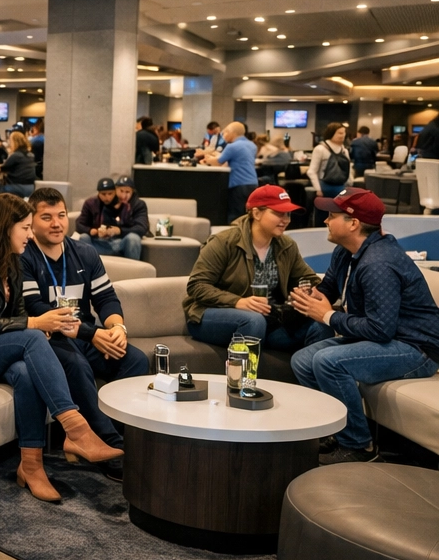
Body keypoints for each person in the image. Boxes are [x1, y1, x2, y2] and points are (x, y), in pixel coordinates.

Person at [0, 194, 122, 503]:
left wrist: (36, 327)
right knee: (32, 335)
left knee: (26, 371)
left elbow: (15, 315)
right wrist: (35, 325)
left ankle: (31, 466)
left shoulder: (12, 261)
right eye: (25, 228)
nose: (30, 235)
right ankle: (76, 429)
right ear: (5, 227)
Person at [289, 189, 439, 464]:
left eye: (332, 216)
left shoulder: (378, 262)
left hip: (417, 349)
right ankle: (334, 430)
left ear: (354, 223)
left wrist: (327, 316)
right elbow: (329, 288)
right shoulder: (345, 252)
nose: (325, 221)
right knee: (303, 360)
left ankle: (360, 447)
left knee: (328, 361)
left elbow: (380, 329)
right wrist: (312, 296)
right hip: (387, 339)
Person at [21, 188, 149, 465]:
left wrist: (117, 329)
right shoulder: (24, 255)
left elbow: (106, 299)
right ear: (31, 221)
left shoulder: (85, 253)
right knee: (75, 364)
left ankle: (123, 436)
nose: (56, 223)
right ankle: (108, 444)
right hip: (48, 338)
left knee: (135, 360)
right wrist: (92, 334)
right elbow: (36, 308)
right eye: (46, 217)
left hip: (86, 335)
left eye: (61, 215)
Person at [183, 185, 318, 350]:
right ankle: (241, 367)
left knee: (319, 326)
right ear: (256, 213)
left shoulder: (286, 245)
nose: (286, 220)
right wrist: (237, 301)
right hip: (211, 314)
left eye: (288, 214)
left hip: (268, 318)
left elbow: (309, 279)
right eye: (278, 213)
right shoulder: (224, 241)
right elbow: (197, 286)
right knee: (253, 321)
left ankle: (304, 365)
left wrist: (310, 292)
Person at [199, 121, 258, 220]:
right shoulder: (252, 145)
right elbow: (236, 160)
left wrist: (207, 158)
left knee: (235, 215)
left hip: (238, 185)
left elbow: (218, 162)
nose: (223, 135)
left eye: (225, 132)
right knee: (248, 215)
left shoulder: (232, 146)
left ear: (232, 132)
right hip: (253, 183)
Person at [74, 177, 145, 259]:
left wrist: (119, 230)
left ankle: (133, 267)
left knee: (133, 238)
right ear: (116, 190)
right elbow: (80, 223)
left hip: (121, 241)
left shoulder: (136, 205)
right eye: (121, 191)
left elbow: (141, 228)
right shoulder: (93, 203)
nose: (123, 196)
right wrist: (92, 231)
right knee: (84, 237)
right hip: (99, 241)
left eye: (127, 192)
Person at [308, 122, 352, 225]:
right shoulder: (320, 149)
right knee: (322, 216)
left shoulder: (344, 151)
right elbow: (312, 171)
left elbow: (348, 170)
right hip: (324, 187)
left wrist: (349, 185)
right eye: (339, 133)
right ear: (331, 133)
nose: (342, 135)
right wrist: (318, 189)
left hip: (341, 188)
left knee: (340, 216)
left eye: (344, 133)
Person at [1, 131, 37, 197]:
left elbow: (3, 168)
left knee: (1, 190)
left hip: (16, 187)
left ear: (14, 142)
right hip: (31, 187)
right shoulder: (31, 155)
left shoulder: (16, 155)